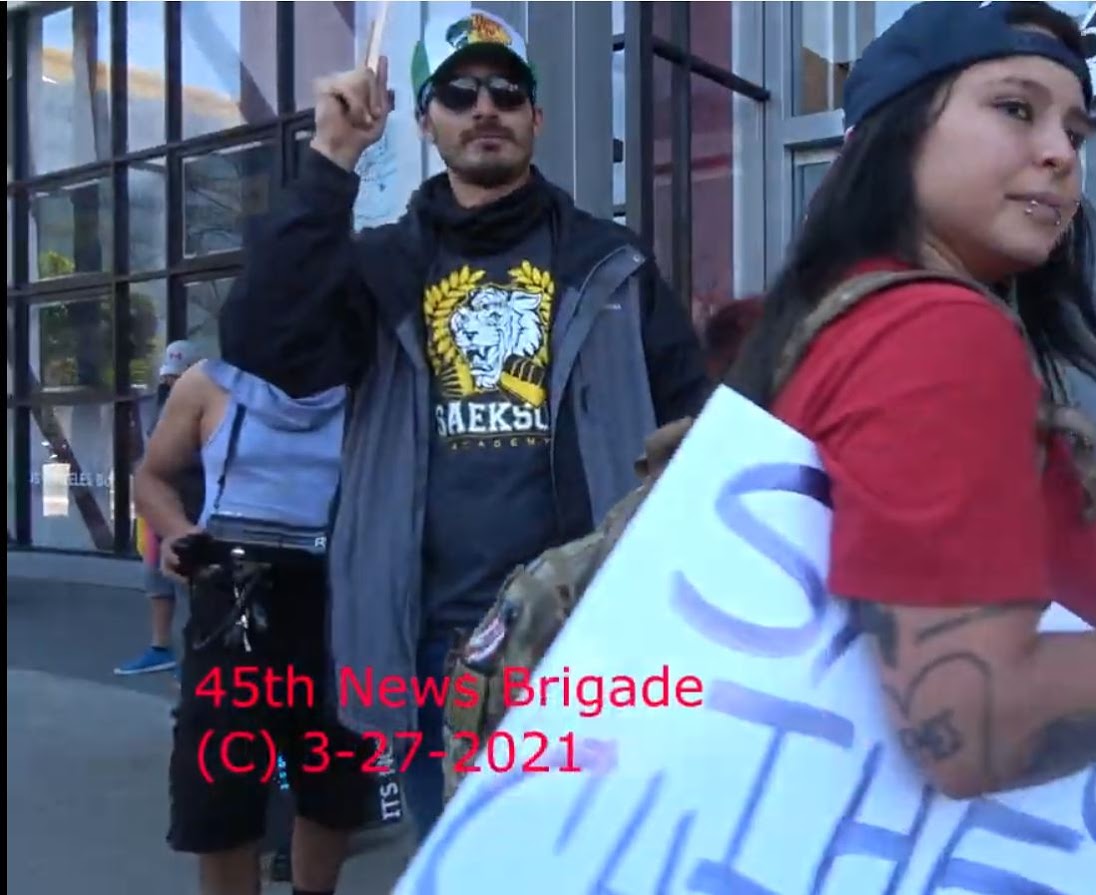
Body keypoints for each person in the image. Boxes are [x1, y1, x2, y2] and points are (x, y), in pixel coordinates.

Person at [722, 0, 1096, 800]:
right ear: (893, 133)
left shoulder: (835, 317)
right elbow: (974, 728)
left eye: (1076, 132)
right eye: (1015, 109)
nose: (1059, 152)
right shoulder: (938, 332)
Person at [216, 9, 707, 840]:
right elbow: (265, 340)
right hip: (426, 647)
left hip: (587, 633)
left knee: (591, 861)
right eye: (458, 92)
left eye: (507, 90)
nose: (485, 107)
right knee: (460, 860)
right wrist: (332, 159)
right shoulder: (380, 267)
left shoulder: (611, 264)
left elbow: (690, 423)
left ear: (535, 118)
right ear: (423, 119)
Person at [135, 358, 368, 895]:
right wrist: (174, 533)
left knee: (333, 791)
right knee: (220, 799)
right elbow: (152, 475)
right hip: (233, 600)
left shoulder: (370, 381)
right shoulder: (208, 381)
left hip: (339, 603)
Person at [117, 340, 207, 676]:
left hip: (192, 503)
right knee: (155, 577)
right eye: (169, 376)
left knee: (189, 579)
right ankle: (159, 647)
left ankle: (199, 654)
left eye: (179, 375)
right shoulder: (159, 404)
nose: (172, 382)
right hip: (157, 504)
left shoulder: (209, 403)